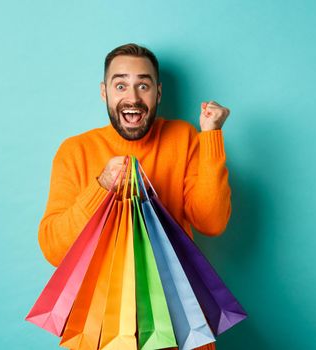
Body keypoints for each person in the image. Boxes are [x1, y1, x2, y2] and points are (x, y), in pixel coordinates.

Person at [38, 43, 232, 350]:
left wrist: (210, 136)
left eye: (143, 85)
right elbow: (53, 250)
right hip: (98, 332)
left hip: (180, 325)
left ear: (158, 92)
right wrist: (100, 186)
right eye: (121, 85)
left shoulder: (184, 139)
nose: (133, 97)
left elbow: (211, 222)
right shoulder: (74, 152)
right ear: (105, 92)